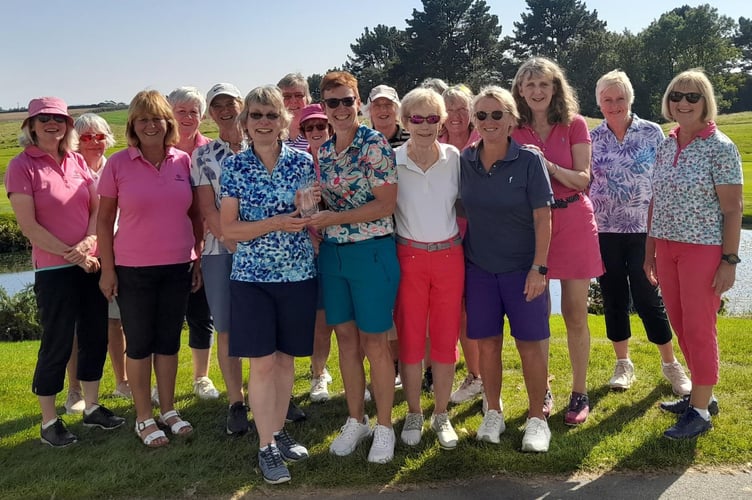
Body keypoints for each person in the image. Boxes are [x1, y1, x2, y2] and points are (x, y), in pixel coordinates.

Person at [5, 97, 125, 447]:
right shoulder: (21, 166)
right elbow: (30, 227)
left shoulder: (75, 161)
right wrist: (74, 254)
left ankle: (91, 407)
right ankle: (48, 421)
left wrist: (89, 242)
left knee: (93, 337)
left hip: (89, 262)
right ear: (31, 125)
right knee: (57, 341)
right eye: (43, 119)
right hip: (56, 269)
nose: (51, 124)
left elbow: (96, 208)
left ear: (67, 125)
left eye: (58, 118)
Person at [220, 85, 317, 484]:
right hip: (252, 280)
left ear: (283, 120)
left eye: (271, 115)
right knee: (261, 363)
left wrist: (309, 211)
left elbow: (310, 214)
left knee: (284, 361)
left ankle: (277, 433)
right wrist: (275, 222)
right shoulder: (235, 167)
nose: (263, 122)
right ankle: (264, 447)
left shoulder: (302, 162)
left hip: (297, 275)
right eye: (256, 115)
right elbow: (229, 229)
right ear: (245, 122)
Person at [97, 90, 202, 448]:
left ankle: (168, 410)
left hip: (177, 265)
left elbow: (195, 215)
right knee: (140, 345)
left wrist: (198, 257)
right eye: (143, 119)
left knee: (169, 342)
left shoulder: (183, 163)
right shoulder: (117, 164)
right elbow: (105, 220)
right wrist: (107, 270)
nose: (150, 125)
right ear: (132, 126)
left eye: (156, 118)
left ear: (167, 123)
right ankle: (143, 417)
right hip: (133, 269)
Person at [646, 69, 742, 439]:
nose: (683, 102)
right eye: (676, 95)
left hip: (703, 249)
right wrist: (650, 250)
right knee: (682, 324)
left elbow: (733, 210)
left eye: (692, 97)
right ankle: (703, 394)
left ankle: (700, 411)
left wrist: (729, 261)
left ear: (705, 103)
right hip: (667, 248)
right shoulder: (667, 143)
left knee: (700, 328)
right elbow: (657, 198)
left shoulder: (720, 147)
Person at [311, 71, 399, 463]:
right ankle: (355, 418)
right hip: (334, 255)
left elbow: (385, 204)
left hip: (371, 252)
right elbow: (330, 205)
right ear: (324, 107)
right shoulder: (324, 151)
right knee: (345, 339)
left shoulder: (374, 143)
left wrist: (333, 218)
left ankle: (384, 426)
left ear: (358, 102)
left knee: (375, 341)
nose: (342, 109)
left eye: (348, 101)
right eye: (334, 103)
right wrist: (315, 209)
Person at [511, 56, 603, 426]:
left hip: (574, 220)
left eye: (543, 84)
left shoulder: (575, 124)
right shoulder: (513, 128)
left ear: (555, 89)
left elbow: (583, 179)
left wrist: (547, 166)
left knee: (575, 313)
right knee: (538, 313)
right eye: (529, 84)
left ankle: (579, 392)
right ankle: (543, 389)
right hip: (532, 226)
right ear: (519, 90)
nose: (536, 91)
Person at [461, 86, 554, 451]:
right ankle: (494, 412)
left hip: (522, 270)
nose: (489, 122)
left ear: (512, 119)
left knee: (530, 345)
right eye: (481, 115)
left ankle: (536, 418)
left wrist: (539, 268)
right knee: (487, 345)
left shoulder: (529, 161)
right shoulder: (465, 161)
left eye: (497, 114)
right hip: (479, 269)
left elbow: (543, 218)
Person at [589, 70, 691, 394]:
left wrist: (662, 231)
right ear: (600, 102)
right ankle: (623, 364)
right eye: (608, 100)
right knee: (614, 297)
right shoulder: (593, 138)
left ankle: (671, 365)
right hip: (604, 231)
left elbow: (663, 183)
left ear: (629, 99)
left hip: (644, 231)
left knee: (648, 296)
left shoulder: (651, 133)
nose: (614, 105)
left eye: (620, 98)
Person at [393, 87, 463, 450]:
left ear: (442, 121)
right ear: (405, 121)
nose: (424, 125)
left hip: (450, 257)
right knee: (410, 338)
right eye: (416, 118)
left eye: (432, 118)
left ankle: (441, 413)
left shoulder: (454, 158)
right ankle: (414, 412)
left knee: (446, 338)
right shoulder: (392, 160)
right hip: (409, 258)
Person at [190, 83, 250, 435]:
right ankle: (236, 401)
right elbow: (207, 209)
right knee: (226, 326)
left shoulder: (263, 143)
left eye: (231, 103)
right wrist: (233, 244)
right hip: (219, 252)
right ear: (210, 113)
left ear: (241, 105)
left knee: (262, 323)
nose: (226, 110)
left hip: (262, 249)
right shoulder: (203, 155)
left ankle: (271, 394)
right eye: (218, 105)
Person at [166, 86, 220, 402]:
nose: (188, 117)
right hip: (167, 246)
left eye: (193, 112)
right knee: (168, 317)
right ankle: (164, 380)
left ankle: (202, 377)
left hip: (206, 243)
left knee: (202, 314)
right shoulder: (160, 150)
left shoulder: (210, 150)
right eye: (181, 111)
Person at [73, 113, 131, 400]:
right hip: (80, 258)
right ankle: (75, 391)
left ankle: (122, 382)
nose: (94, 142)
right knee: (79, 327)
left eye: (99, 136)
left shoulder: (117, 167)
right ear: (76, 141)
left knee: (117, 321)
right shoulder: (70, 170)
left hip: (116, 254)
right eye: (86, 137)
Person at [440, 84, 482, 405]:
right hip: (443, 236)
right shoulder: (434, 143)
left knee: (474, 308)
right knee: (454, 308)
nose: (455, 116)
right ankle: (464, 372)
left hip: (480, 235)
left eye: (461, 109)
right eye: (448, 109)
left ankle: (478, 375)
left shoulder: (481, 142)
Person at [363, 83, 408, 387]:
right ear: (368, 110)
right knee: (382, 307)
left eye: (388, 105)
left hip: (408, 230)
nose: (383, 110)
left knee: (409, 305)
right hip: (375, 234)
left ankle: (416, 365)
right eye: (377, 105)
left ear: (397, 108)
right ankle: (388, 367)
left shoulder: (410, 137)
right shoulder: (363, 141)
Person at [299, 103, 336, 403]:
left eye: (320, 126)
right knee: (321, 322)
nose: (316, 132)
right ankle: (318, 375)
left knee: (353, 324)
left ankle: (360, 377)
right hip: (312, 252)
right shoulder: (298, 165)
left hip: (344, 247)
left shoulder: (342, 159)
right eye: (309, 127)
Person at [278, 72, 311, 152]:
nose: (293, 101)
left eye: (298, 95)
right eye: (287, 96)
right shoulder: (272, 135)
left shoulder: (319, 131)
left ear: (307, 99)